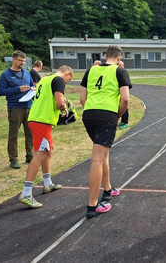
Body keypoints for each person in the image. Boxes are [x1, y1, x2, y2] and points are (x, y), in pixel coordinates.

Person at [80, 45, 131, 218]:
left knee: (103, 154)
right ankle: (92, 205)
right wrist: (118, 115)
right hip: (107, 114)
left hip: (89, 114)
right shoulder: (120, 72)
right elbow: (125, 99)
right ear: (119, 58)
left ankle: (108, 189)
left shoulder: (90, 71)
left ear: (105, 56)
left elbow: (82, 98)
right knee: (97, 159)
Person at [18, 65, 73, 208]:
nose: (66, 83)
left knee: (49, 150)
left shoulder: (44, 79)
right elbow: (60, 102)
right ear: (67, 73)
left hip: (37, 118)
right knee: (40, 154)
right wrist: (64, 108)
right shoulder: (58, 80)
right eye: (68, 80)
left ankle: (47, 183)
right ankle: (26, 192)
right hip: (42, 120)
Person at [0, 50, 34, 169]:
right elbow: (0, 91)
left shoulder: (27, 73)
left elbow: (32, 84)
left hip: (29, 106)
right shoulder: (5, 75)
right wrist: (18, 89)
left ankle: (30, 155)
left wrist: (32, 89)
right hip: (15, 107)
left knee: (30, 133)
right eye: (20, 60)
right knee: (14, 134)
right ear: (13, 60)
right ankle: (13, 159)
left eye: (24, 61)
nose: (22, 63)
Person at [117, 60, 129, 129]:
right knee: (119, 106)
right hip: (118, 92)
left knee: (124, 105)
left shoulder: (123, 73)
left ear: (123, 66)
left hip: (123, 92)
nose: (119, 67)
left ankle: (125, 122)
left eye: (120, 66)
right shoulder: (118, 73)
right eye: (118, 66)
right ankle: (122, 120)